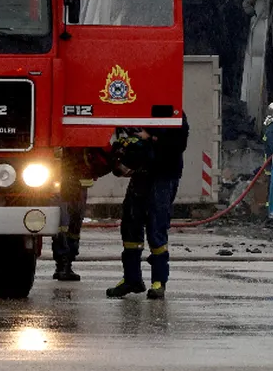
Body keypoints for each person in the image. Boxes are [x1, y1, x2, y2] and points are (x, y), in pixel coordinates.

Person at [106, 115, 190, 299]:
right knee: (130, 224)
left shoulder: (173, 113)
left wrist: (150, 137)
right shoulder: (138, 110)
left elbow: (178, 144)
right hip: (141, 174)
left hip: (163, 175)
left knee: (156, 226)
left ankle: (159, 282)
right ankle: (131, 279)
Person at [51, 146, 113, 282]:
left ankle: (65, 263)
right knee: (63, 224)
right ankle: (63, 263)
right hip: (65, 181)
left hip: (75, 180)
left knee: (71, 223)